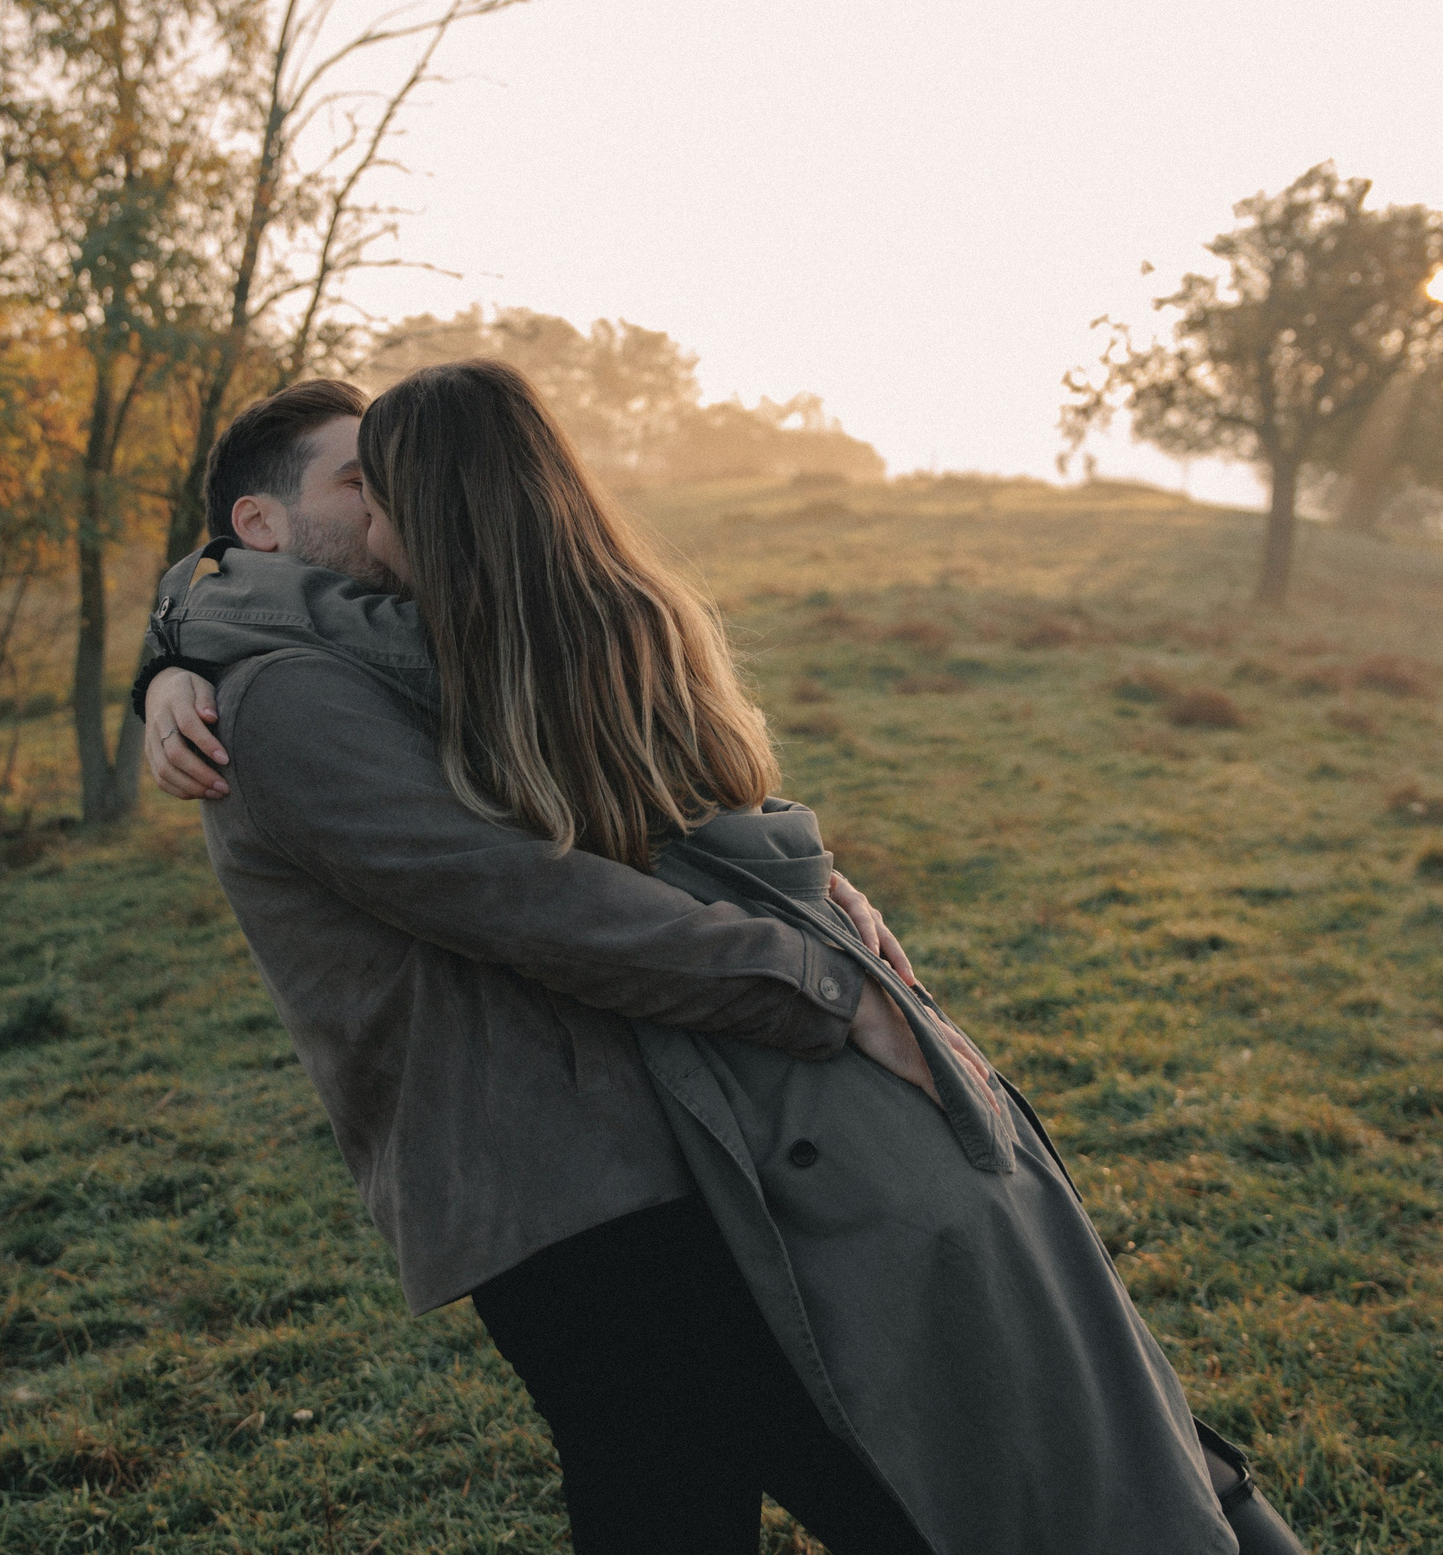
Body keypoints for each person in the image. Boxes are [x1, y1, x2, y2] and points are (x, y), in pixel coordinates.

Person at [136, 371, 1307, 1554]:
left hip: (669, 1144)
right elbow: (528, 898)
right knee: (835, 1479)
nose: (386, 501)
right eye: (357, 480)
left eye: (395, 478)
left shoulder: (400, 650)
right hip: (555, 1188)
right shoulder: (287, 701)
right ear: (260, 525)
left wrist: (176, 633)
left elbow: (635, 806)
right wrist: (823, 989)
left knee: (855, 1463)